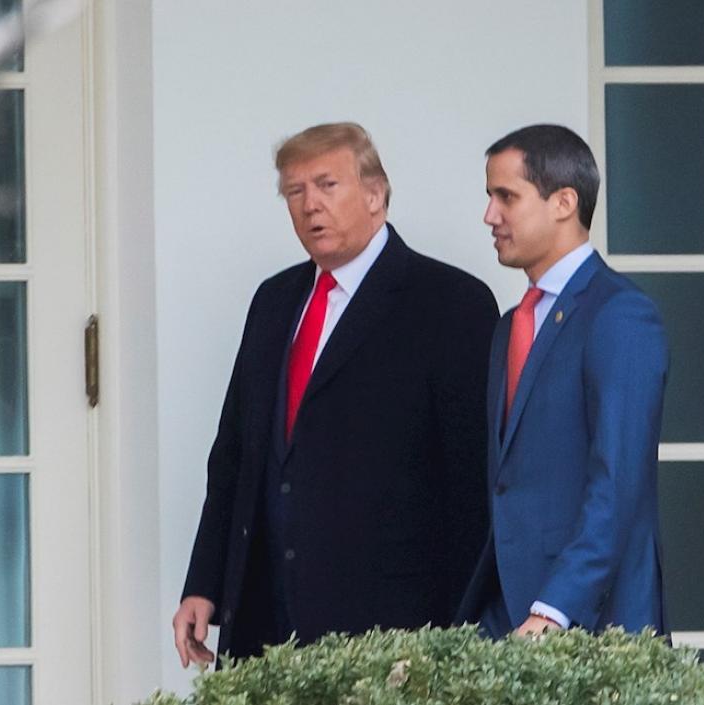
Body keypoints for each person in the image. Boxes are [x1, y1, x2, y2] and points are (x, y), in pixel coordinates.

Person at [172, 122, 497, 667]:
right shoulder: (274, 302)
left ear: (375, 194)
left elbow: (470, 483)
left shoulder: (450, 303)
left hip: (393, 630)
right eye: (294, 192)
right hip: (267, 620)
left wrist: (459, 637)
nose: (309, 205)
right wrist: (204, 584)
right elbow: (234, 457)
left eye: (327, 185)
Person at [455, 124, 669, 638]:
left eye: (506, 196)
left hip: (588, 623)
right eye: (489, 197)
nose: (490, 215)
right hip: (507, 616)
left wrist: (554, 606)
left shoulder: (620, 315)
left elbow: (619, 482)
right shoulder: (511, 324)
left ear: (564, 202)